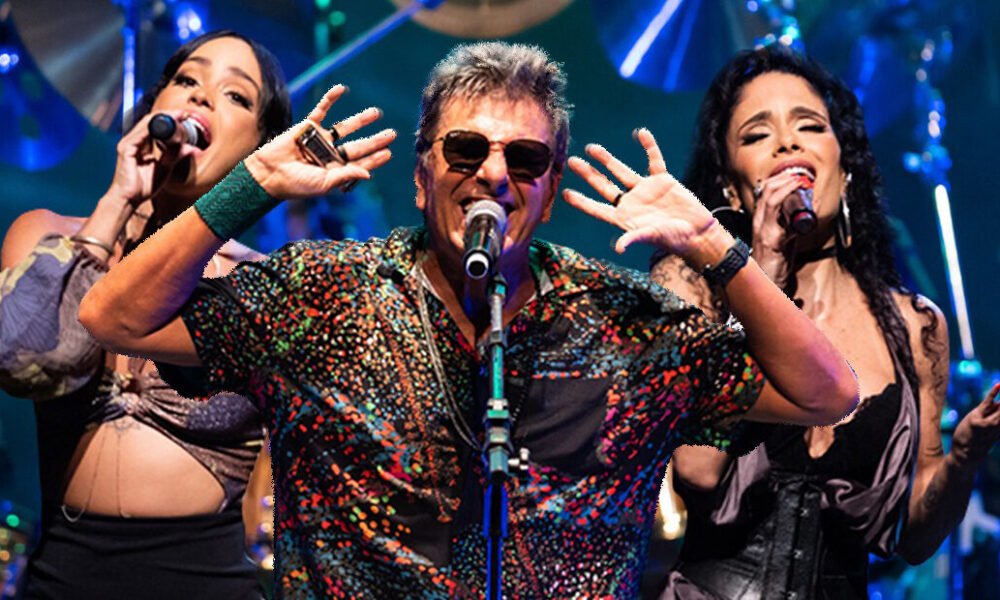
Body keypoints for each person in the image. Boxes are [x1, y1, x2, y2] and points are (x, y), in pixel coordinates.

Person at [78, 42, 857, 599]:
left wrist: (716, 248)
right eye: (465, 149)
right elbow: (114, 317)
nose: (493, 174)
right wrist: (249, 186)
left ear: (547, 191)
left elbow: (827, 393)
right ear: (422, 177)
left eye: (524, 159)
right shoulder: (322, 295)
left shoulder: (627, 322)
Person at [644, 45, 1000, 599]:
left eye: (809, 126)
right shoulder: (693, 285)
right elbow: (697, 468)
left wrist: (964, 458)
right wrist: (760, 268)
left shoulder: (915, 326)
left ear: (845, 165)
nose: (788, 143)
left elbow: (913, 538)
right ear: (733, 187)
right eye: (757, 135)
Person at [0, 30, 293, 598]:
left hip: (206, 583)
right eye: (186, 80)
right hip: (62, 578)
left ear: (260, 149)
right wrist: (117, 203)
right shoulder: (47, 236)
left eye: (235, 95)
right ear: (154, 107)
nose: (201, 96)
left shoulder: (265, 285)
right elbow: (21, 359)